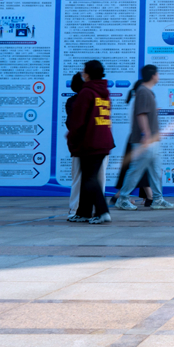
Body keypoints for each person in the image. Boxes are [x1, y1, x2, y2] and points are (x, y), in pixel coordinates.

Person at [115, 65, 174, 211]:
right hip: (145, 141)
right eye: (157, 73)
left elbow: (145, 113)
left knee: (155, 171)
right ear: (153, 75)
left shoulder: (147, 92)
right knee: (136, 170)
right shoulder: (142, 91)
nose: (159, 76)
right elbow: (141, 114)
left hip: (153, 140)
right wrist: (146, 134)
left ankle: (157, 199)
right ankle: (123, 199)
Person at [66, 60, 115, 224]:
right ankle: (84, 212)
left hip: (90, 142)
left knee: (90, 179)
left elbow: (78, 121)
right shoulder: (103, 92)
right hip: (103, 141)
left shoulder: (87, 92)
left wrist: (72, 139)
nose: (83, 73)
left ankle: (102, 212)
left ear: (87, 74)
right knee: (89, 178)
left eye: (84, 71)